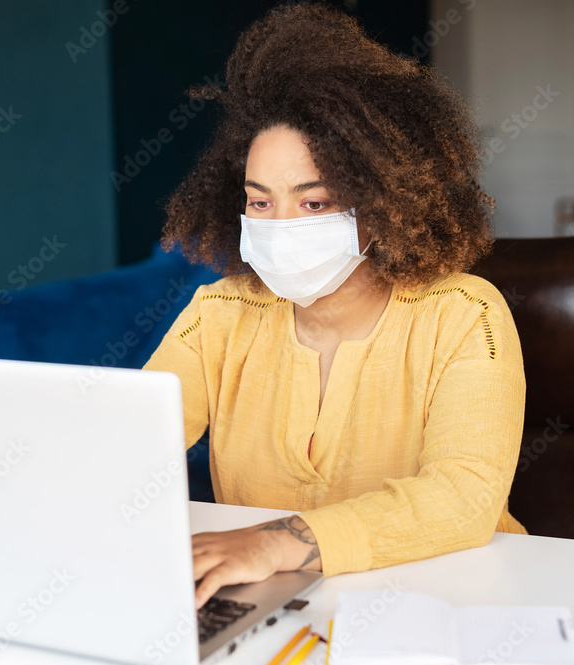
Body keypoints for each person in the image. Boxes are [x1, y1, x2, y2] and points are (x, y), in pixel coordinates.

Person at [142, 2, 528, 610]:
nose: (281, 225)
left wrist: (279, 542)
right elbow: (130, 442)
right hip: (272, 602)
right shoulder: (218, 313)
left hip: (451, 601)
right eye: (260, 202)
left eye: (315, 203)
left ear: (383, 203)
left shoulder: (465, 314)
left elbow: (463, 496)